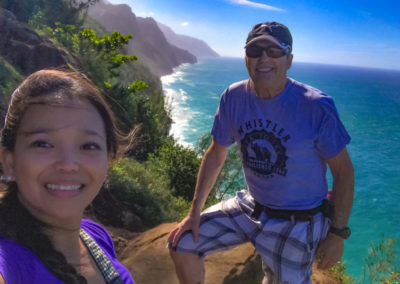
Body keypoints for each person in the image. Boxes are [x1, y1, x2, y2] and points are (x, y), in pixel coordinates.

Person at [168, 21, 354, 284]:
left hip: (298, 222)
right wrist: (194, 212)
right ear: (246, 58)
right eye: (255, 51)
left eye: (274, 51)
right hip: (251, 206)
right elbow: (216, 154)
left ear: (288, 60)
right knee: (182, 244)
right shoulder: (233, 97)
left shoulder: (315, 106)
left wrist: (337, 235)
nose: (263, 58)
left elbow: (344, 172)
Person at [0, 69, 135, 284]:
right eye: (43, 144)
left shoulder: (96, 237)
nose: (68, 165)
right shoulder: (10, 265)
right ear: (9, 162)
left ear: (108, 160)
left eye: (88, 146)